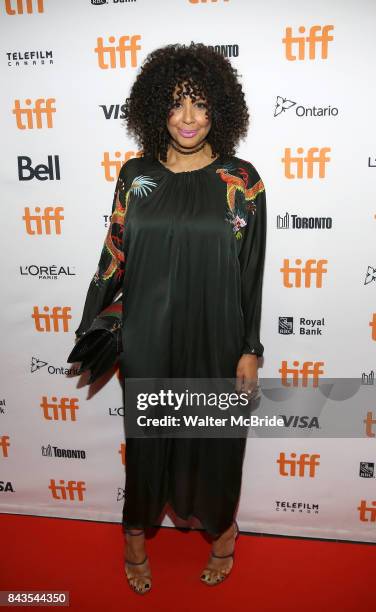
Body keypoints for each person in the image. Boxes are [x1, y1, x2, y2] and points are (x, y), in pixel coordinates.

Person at [74, 42, 267, 595]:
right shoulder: (135, 176)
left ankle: (224, 532)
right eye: (177, 103)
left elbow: (250, 272)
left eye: (201, 105)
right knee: (149, 441)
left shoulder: (242, 182)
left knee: (215, 440)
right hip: (148, 338)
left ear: (220, 110)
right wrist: (97, 329)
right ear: (156, 105)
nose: (188, 119)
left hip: (217, 336)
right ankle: (135, 540)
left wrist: (249, 347)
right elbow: (113, 256)